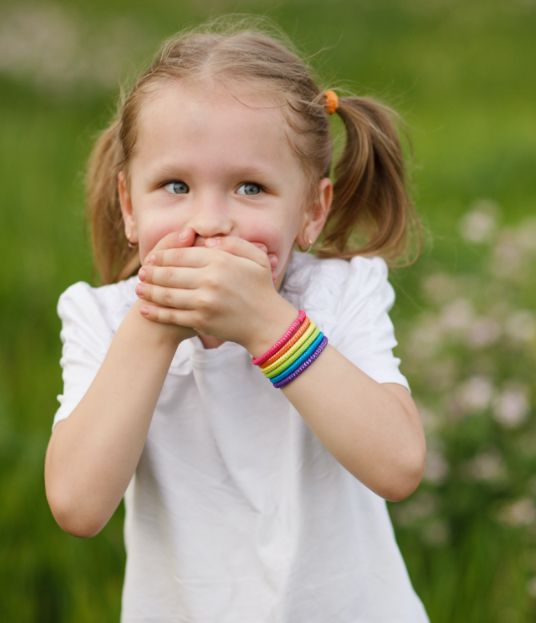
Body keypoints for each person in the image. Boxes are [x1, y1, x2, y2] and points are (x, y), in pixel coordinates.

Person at [45, 17, 429, 622]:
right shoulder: (102, 317)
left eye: (250, 188)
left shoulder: (339, 294)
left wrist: (268, 326)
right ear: (128, 205)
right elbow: (77, 505)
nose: (210, 220)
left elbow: (399, 465)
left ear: (310, 211)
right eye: (175, 185)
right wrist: (154, 323)